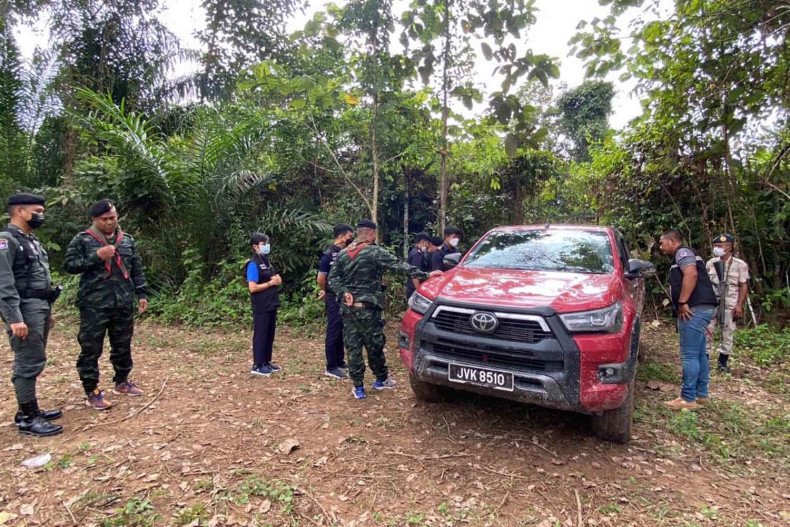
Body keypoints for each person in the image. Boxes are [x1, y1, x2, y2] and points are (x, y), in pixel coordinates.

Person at [328, 219, 442, 399]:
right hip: (369, 309)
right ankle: (381, 379)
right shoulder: (374, 252)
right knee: (374, 344)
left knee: (353, 346)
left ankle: (358, 387)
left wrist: (344, 292)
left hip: (348, 309)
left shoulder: (343, 254)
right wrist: (427, 274)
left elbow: (332, 279)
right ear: (372, 233)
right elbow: (400, 266)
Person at [65, 199, 148, 411]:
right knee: (91, 347)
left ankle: (122, 381)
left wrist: (141, 293)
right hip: (94, 304)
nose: (110, 222)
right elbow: (70, 265)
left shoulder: (126, 240)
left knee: (122, 343)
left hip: (122, 302)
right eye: (105, 219)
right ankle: (91, 390)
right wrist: (96, 257)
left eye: (113, 217)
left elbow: (136, 267)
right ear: (95, 219)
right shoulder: (83, 240)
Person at [0, 193, 63, 436]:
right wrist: (14, 318)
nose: (41, 215)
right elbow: (4, 283)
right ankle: (28, 417)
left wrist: (47, 311)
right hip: (23, 309)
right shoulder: (6, 240)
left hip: (38, 307)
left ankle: (30, 409)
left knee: (35, 357)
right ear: (19, 211)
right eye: (37, 210)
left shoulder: (30, 239)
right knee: (28, 361)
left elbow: (38, 279)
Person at [658, 230, 718, 410]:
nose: (661, 247)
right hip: (704, 308)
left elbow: (691, 274)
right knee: (699, 353)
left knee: (689, 354)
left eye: (662, 243)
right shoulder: (684, 254)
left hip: (693, 309)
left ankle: (687, 398)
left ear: (672, 241)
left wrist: (683, 302)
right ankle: (701, 394)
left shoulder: (683, 253)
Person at [705, 233, 749, 374]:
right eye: (715, 246)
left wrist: (739, 305)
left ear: (729, 247)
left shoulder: (739, 265)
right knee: (707, 330)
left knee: (728, 331)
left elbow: (743, 285)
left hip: (730, 303)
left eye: (719, 246)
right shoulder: (711, 263)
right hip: (712, 302)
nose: (716, 248)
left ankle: (722, 362)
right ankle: (704, 359)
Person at [317, 224, 354, 379]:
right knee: (333, 329)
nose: (351, 239)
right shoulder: (328, 254)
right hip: (333, 297)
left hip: (343, 296)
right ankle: (331, 366)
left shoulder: (345, 253)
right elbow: (321, 278)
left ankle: (339, 360)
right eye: (349, 235)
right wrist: (326, 291)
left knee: (341, 328)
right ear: (341, 236)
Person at [245, 233, 282, 377]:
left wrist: (277, 279)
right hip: (261, 304)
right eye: (263, 243)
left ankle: (266, 361)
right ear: (255, 246)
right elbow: (252, 287)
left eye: (267, 243)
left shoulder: (265, 261)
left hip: (271, 303)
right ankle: (258, 364)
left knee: (269, 333)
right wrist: (270, 283)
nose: (267, 246)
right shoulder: (253, 263)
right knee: (261, 334)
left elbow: (272, 277)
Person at [405, 232, 433, 300]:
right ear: (423, 242)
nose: (428, 246)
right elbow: (415, 275)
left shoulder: (414, 251)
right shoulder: (417, 255)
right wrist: (419, 292)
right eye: (428, 243)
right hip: (414, 289)